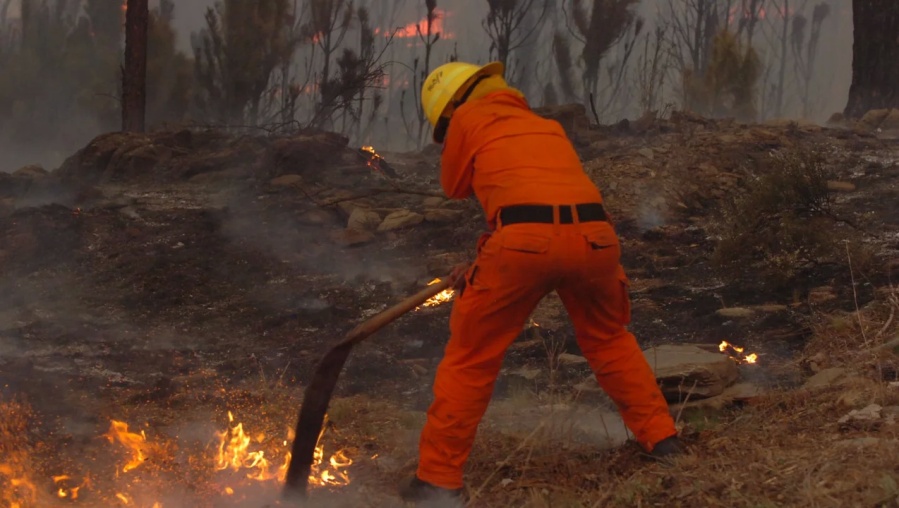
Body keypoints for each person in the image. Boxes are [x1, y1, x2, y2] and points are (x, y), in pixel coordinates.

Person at [400, 61, 685, 505]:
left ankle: (436, 483)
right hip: (595, 240)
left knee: (471, 359)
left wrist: (489, 263)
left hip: (522, 244)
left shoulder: (467, 120)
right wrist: (481, 261)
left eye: (443, 124)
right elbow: (545, 198)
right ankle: (664, 441)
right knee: (610, 338)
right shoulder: (547, 126)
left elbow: (455, 186)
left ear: (453, 107)